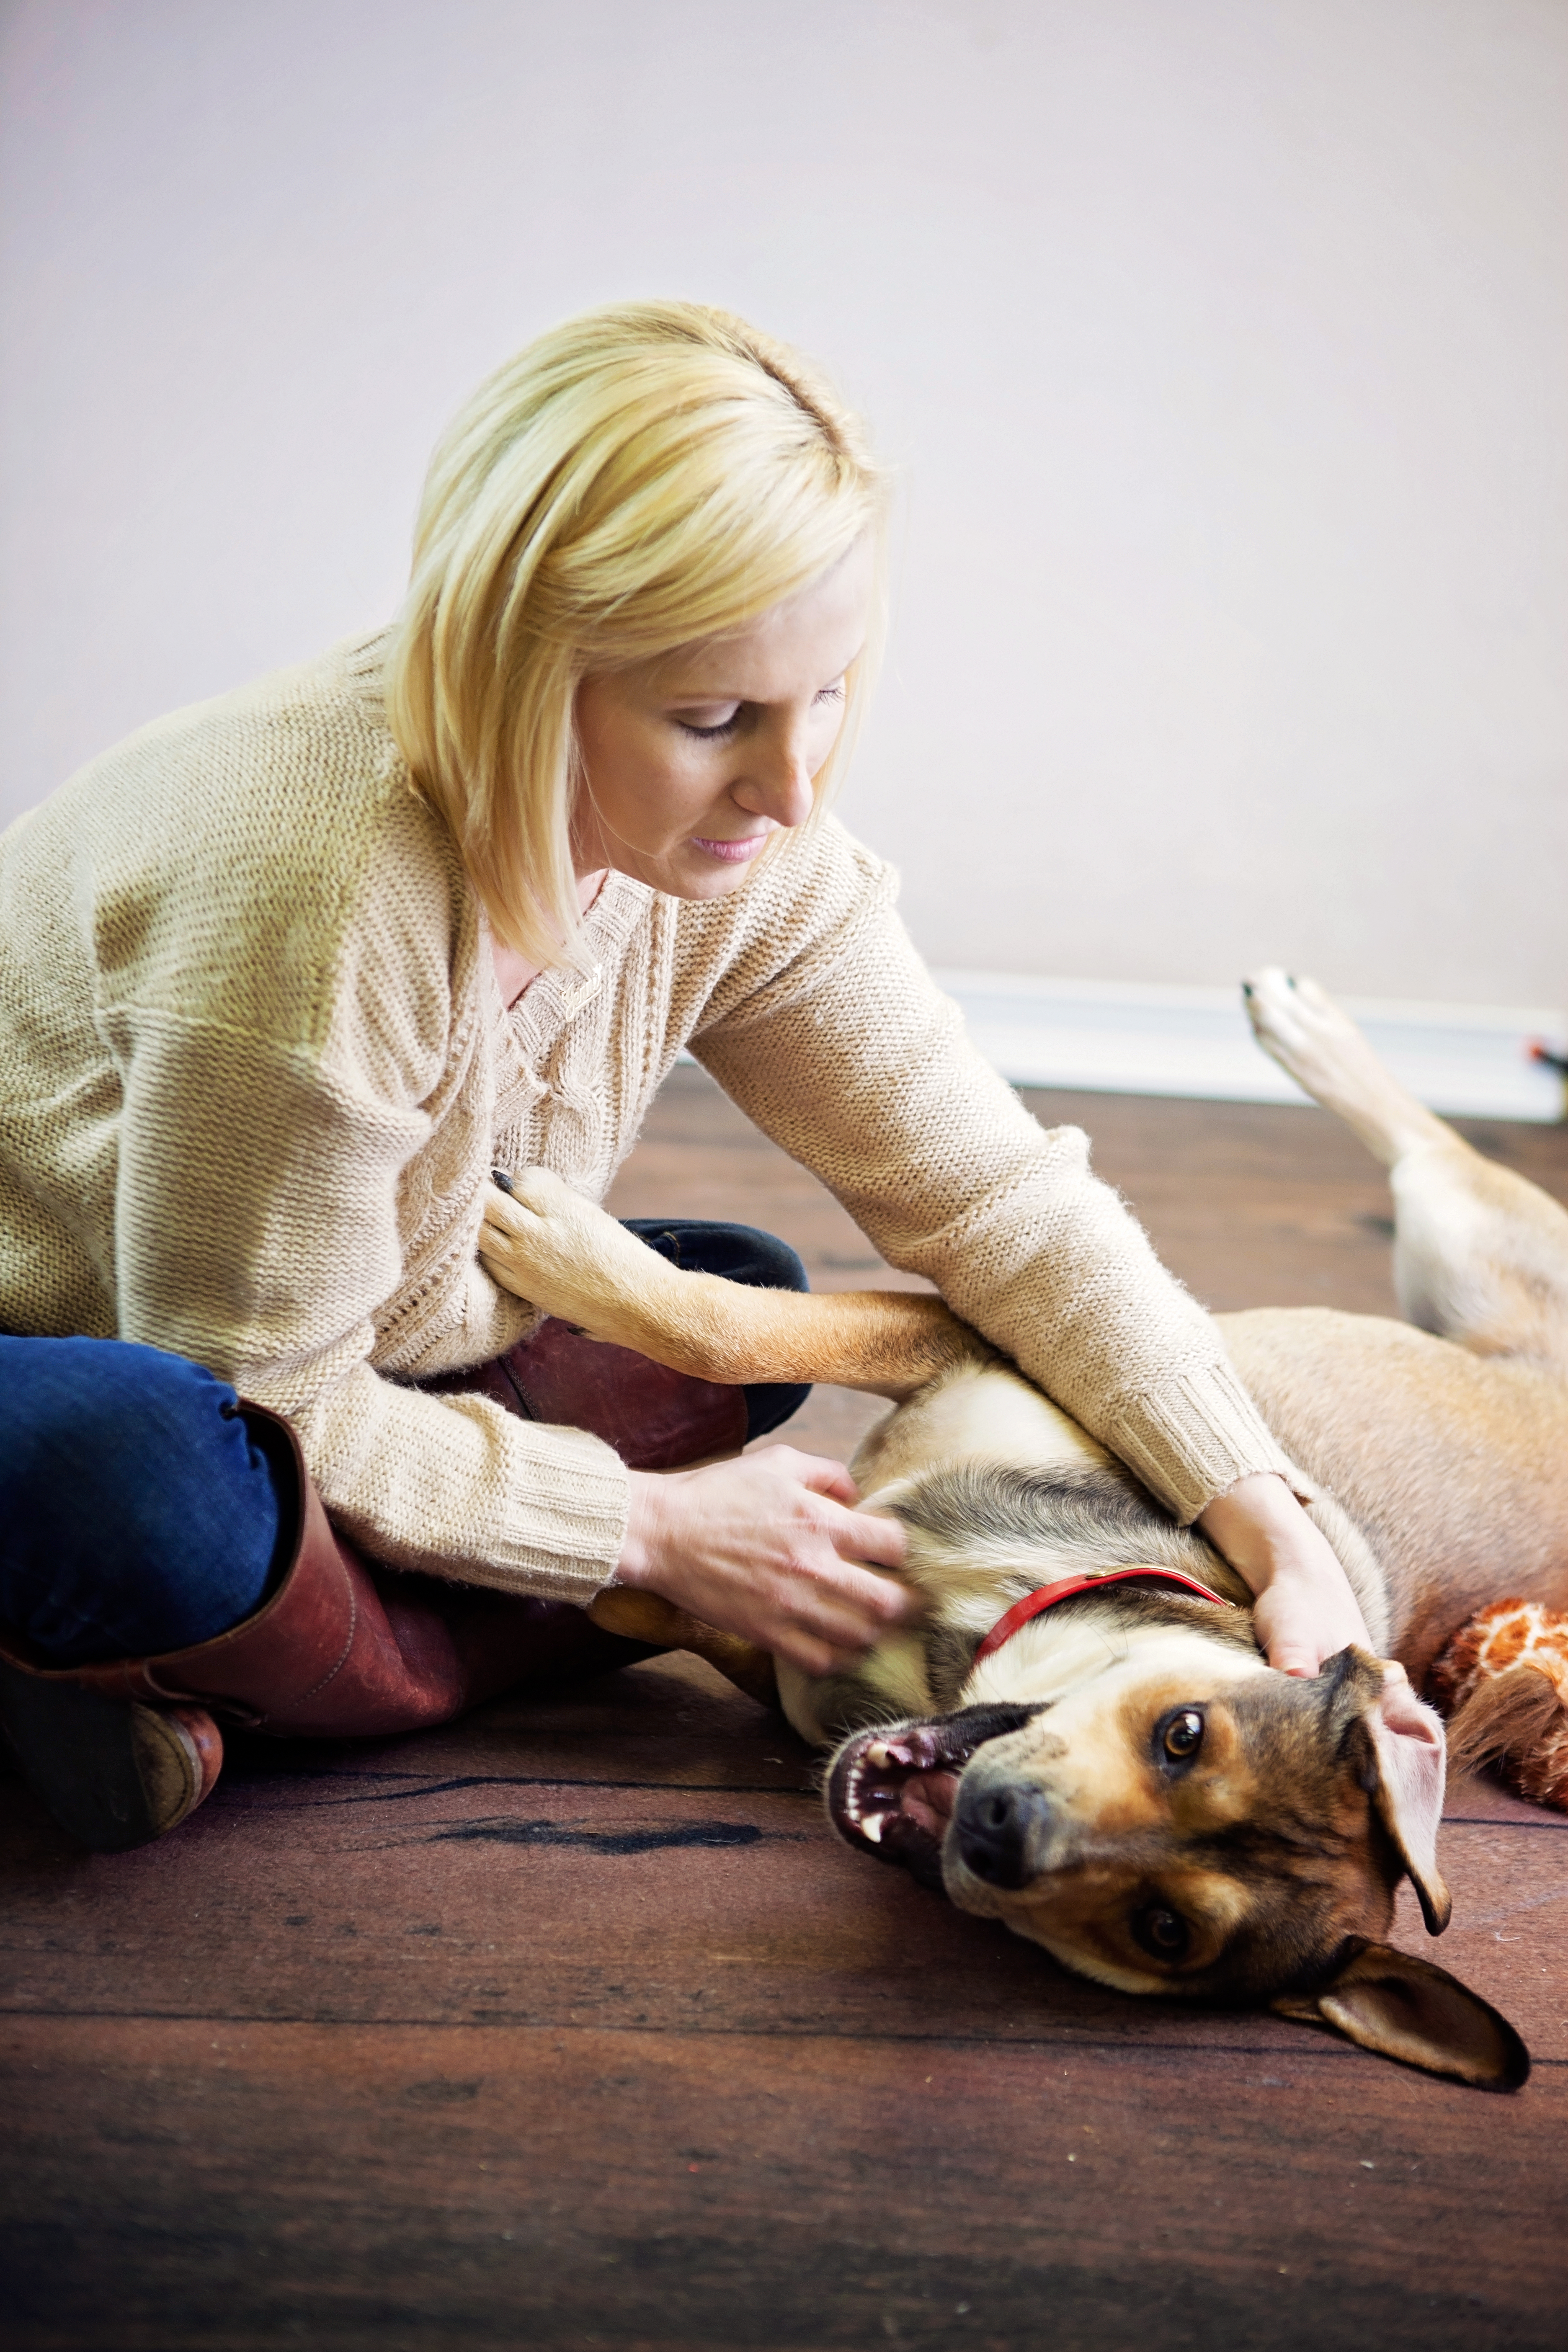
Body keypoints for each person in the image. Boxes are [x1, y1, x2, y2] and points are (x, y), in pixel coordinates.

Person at [0, 301, 1369, 1852]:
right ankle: (242, 1652)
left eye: (830, 692)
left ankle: (212, 1670)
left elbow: (998, 1204)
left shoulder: (749, 856)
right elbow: (263, 1380)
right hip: (95, 1346)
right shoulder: (314, 893)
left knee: (731, 1303)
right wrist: (645, 1526)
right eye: (716, 718)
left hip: (328, 1338)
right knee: (157, 1485)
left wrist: (1264, 1512)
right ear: (519, 668)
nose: (792, 789)